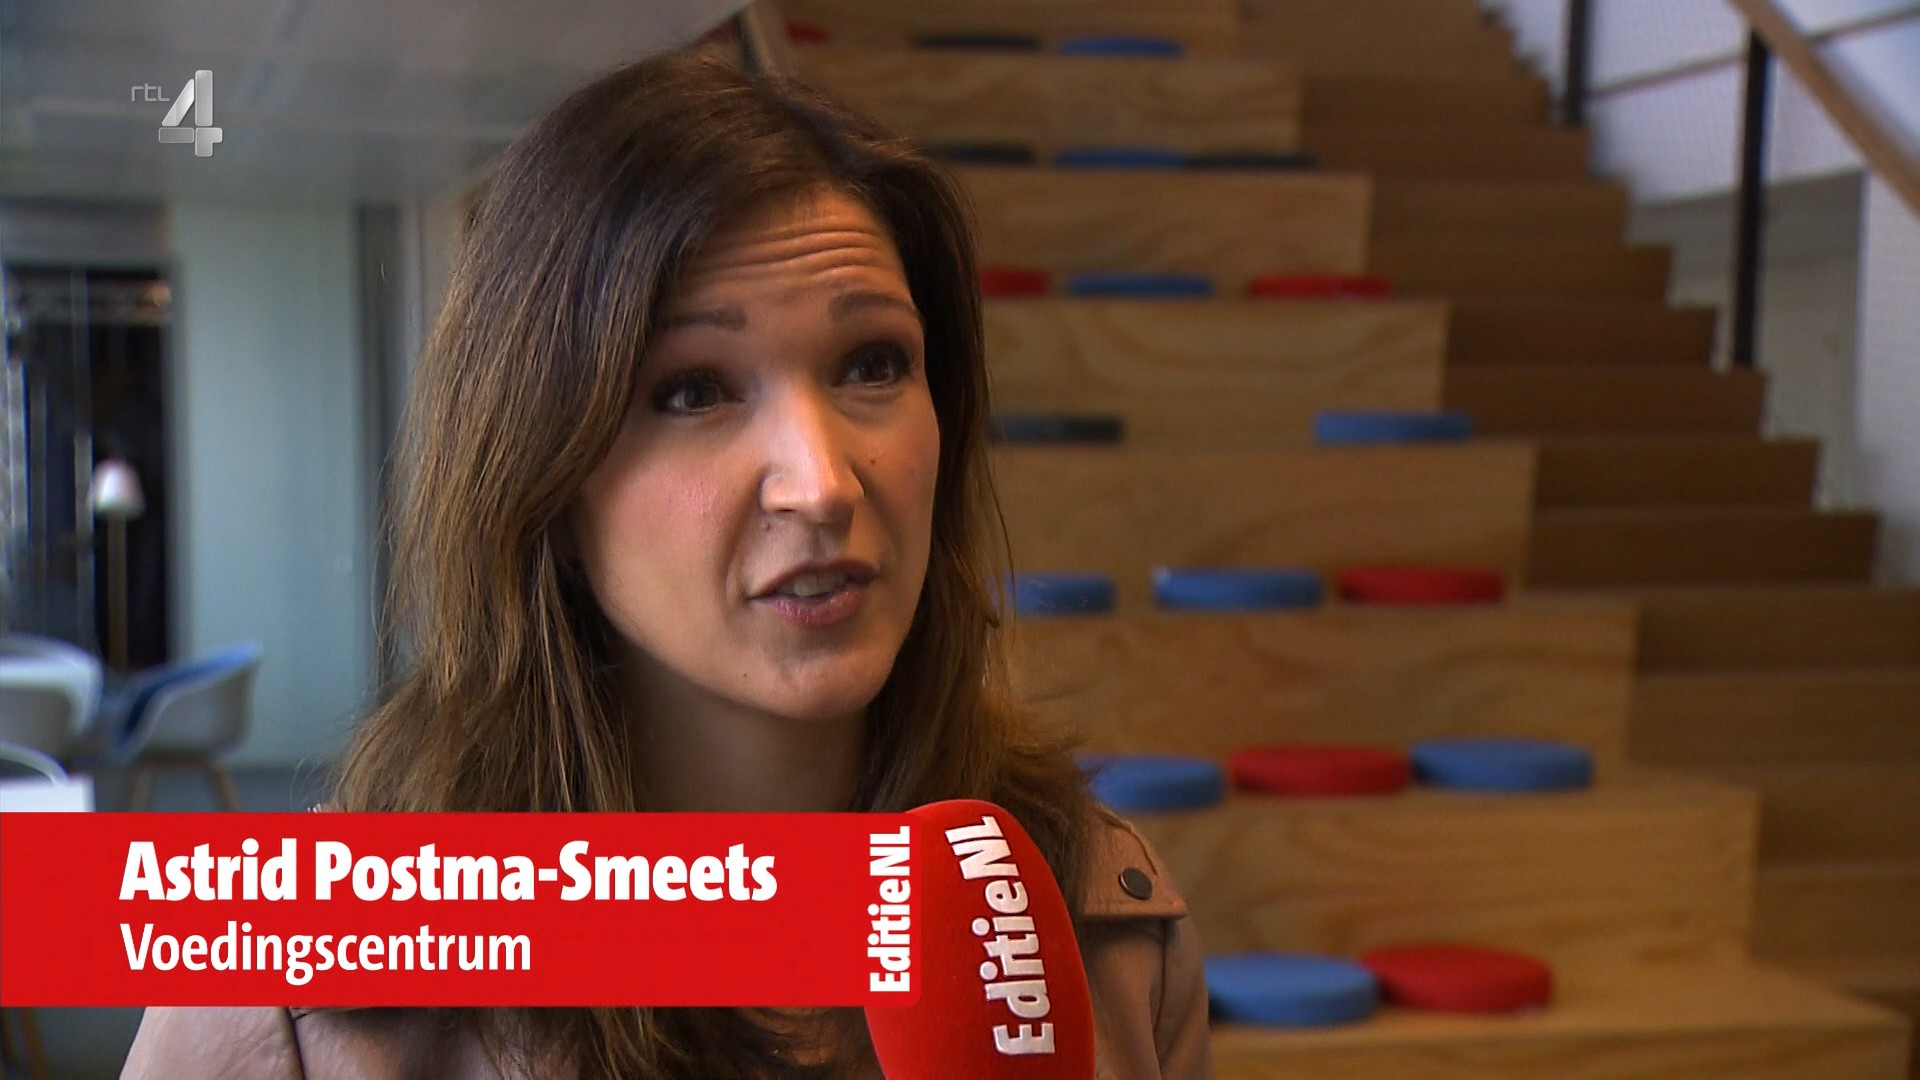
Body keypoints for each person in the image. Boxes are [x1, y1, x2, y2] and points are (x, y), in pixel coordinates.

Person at [123, 49, 1211, 1079]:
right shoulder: (288, 982)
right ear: (547, 480)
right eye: (693, 391)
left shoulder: (1095, 914)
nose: (822, 484)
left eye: (872, 364)